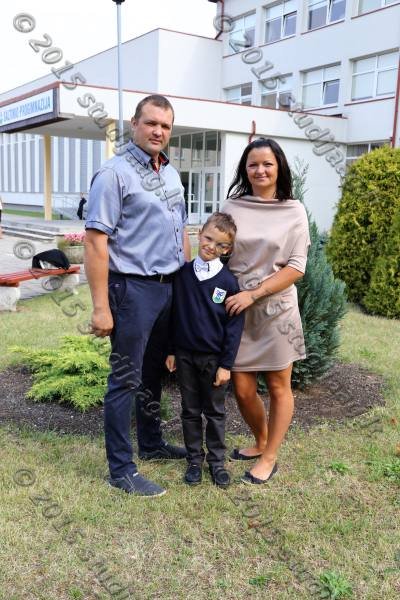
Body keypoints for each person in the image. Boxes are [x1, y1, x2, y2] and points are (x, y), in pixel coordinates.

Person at [85, 94, 191, 497]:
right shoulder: (114, 174)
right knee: (125, 379)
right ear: (134, 123)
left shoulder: (172, 174)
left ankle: (151, 443)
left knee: (152, 373)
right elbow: (95, 241)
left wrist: (185, 283)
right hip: (132, 289)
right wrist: (101, 307)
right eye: (151, 123)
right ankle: (121, 470)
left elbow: (181, 230)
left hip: (168, 287)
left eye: (165, 126)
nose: (158, 131)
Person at [222, 137, 310, 485]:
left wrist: (254, 294)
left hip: (276, 311)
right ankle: (260, 440)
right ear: (245, 170)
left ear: (279, 168)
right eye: (253, 165)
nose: (260, 170)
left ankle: (270, 456)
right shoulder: (232, 206)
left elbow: (296, 267)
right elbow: (218, 248)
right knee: (243, 389)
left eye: (267, 164)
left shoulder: (294, 210)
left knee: (277, 385)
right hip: (237, 309)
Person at [165, 213, 244, 488]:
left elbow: (234, 328)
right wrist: (171, 350)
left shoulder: (229, 283)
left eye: (220, 244)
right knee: (189, 410)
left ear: (227, 249)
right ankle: (194, 460)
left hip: (213, 361)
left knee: (215, 412)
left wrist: (226, 365)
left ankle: (217, 462)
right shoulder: (182, 275)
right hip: (185, 356)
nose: (211, 246)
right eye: (208, 238)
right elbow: (174, 315)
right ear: (199, 234)